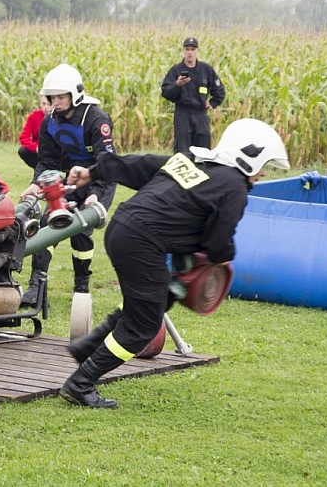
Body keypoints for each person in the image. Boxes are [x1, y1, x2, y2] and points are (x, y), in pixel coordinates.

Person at [60, 118, 290, 408]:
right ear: (249, 157)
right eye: (263, 165)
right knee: (143, 326)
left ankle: (88, 348)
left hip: (122, 227)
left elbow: (140, 166)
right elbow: (217, 242)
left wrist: (92, 172)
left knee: (158, 300)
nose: (263, 173)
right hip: (143, 243)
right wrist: (223, 257)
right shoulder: (234, 187)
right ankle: (81, 383)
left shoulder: (193, 159)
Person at [19, 64, 116, 306]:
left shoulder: (97, 119)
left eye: (61, 96)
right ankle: (36, 286)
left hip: (99, 179)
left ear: (76, 94)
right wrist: (35, 184)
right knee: (47, 225)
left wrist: (95, 194)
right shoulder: (48, 121)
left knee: (80, 230)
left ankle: (81, 285)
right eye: (52, 97)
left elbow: (107, 161)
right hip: (69, 177)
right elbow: (48, 161)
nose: (56, 102)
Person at [160, 36, 226, 155]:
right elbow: (165, 92)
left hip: (200, 114)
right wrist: (177, 84)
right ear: (183, 51)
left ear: (197, 51)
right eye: (187, 49)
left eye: (192, 49)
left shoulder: (206, 69)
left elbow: (219, 90)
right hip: (183, 114)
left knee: (203, 152)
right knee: (182, 151)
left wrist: (212, 104)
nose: (190, 52)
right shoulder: (176, 70)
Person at [17, 96, 52, 169]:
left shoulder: (59, 116)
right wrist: (36, 147)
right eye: (43, 104)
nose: (46, 107)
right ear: (40, 103)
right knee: (22, 150)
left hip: (54, 150)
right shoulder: (34, 116)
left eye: (49, 104)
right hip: (38, 149)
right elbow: (23, 138)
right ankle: (39, 170)